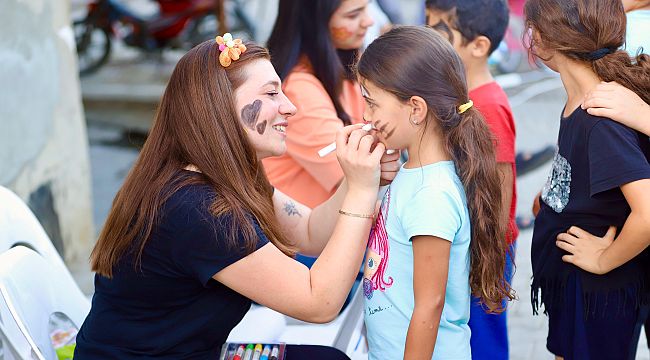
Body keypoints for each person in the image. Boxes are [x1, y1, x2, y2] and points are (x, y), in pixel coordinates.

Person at [73, 37, 400, 359]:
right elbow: (319, 303)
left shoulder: (224, 177)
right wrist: (360, 189)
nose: (290, 107)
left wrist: (356, 176)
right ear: (219, 107)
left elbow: (311, 232)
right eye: (272, 93)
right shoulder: (197, 209)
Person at [356, 26, 514, 359]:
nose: (365, 116)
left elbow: (430, 305)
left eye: (372, 104)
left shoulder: (430, 194)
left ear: (415, 108)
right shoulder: (411, 173)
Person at [524, 0, 650, 359]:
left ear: (548, 40)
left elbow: (648, 212)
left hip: (596, 295)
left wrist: (604, 260)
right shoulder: (586, 101)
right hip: (578, 291)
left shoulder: (600, 120)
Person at [424, 1, 516, 359]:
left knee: (484, 342)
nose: (431, 37)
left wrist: (487, 260)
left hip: (485, 250)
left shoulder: (488, 105)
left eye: (441, 30)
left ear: (478, 46)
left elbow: (501, 189)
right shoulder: (465, 98)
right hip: (471, 244)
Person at [263, 0, 374, 209]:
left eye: (367, 8)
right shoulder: (297, 90)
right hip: (302, 234)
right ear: (315, 22)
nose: (369, 21)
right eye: (353, 15)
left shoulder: (346, 63)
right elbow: (354, 175)